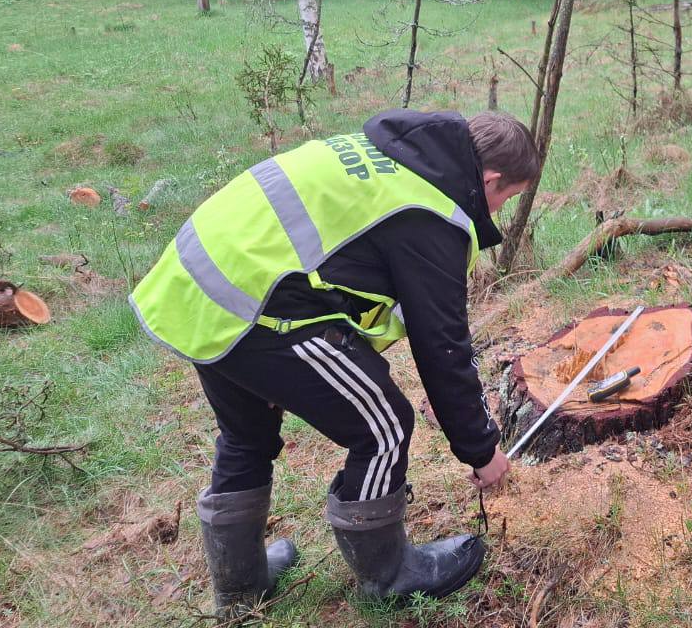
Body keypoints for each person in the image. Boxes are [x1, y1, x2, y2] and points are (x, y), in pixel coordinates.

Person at [129, 109, 539, 618]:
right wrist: (481, 450)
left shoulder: (398, 155)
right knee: (384, 427)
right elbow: (443, 349)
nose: (498, 211)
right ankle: (389, 576)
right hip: (257, 309)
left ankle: (241, 590)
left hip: (196, 287)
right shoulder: (430, 214)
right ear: (491, 179)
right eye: (506, 198)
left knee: (246, 434)